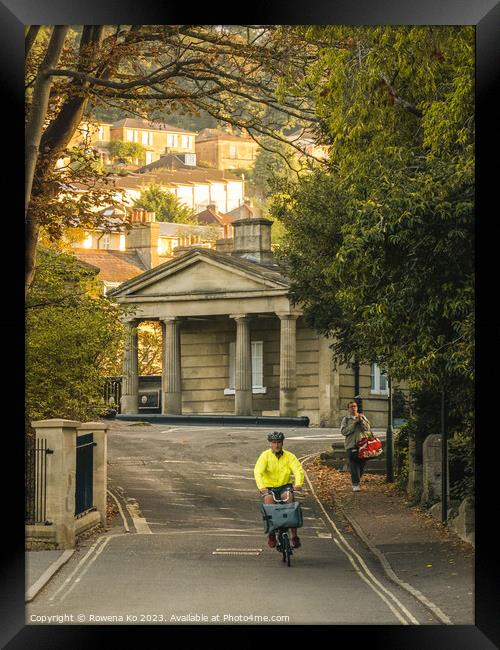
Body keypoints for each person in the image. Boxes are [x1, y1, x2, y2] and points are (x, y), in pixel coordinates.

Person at [254, 431, 305, 549]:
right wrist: (262, 488)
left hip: (284, 486)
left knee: (291, 503)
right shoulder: (265, 456)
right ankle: (271, 535)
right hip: (269, 488)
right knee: (269, 506)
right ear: (270, 444)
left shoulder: (289, 456)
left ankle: (294, 536)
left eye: (279, 442)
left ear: (282, 443)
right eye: (274, 443)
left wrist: (298, 484)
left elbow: (298, 470)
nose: (276, 445)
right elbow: (258, 472)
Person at [340, 400, 371, 491]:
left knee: (362, 465)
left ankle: (356, 480)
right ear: (348, 409)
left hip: (363, 445)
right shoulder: (346, 419)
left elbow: (367, 429)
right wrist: (354, 424)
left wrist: (361, 421)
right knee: (354, 464)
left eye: (355, 406)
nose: (353, 408)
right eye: (351, 407)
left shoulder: (363, 417)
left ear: (357, 407)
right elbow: (344, 432)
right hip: (351, 445)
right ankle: (355, 484)